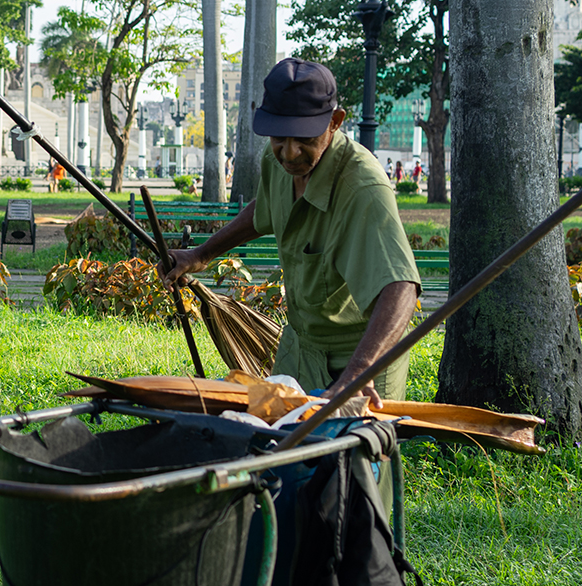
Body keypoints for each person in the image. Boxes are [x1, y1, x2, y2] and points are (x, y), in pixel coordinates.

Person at [165, 57, 420, 408]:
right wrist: (200, 255)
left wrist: (358, 374)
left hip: (360, 359)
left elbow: (401, 288)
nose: (290, 152)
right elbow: (266, 208)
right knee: (276, 446)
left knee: (353, 460)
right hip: (300, 348)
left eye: (304, 138)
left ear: (335, 122)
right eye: (279, 137)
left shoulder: (363, 187)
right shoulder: (279, 163)